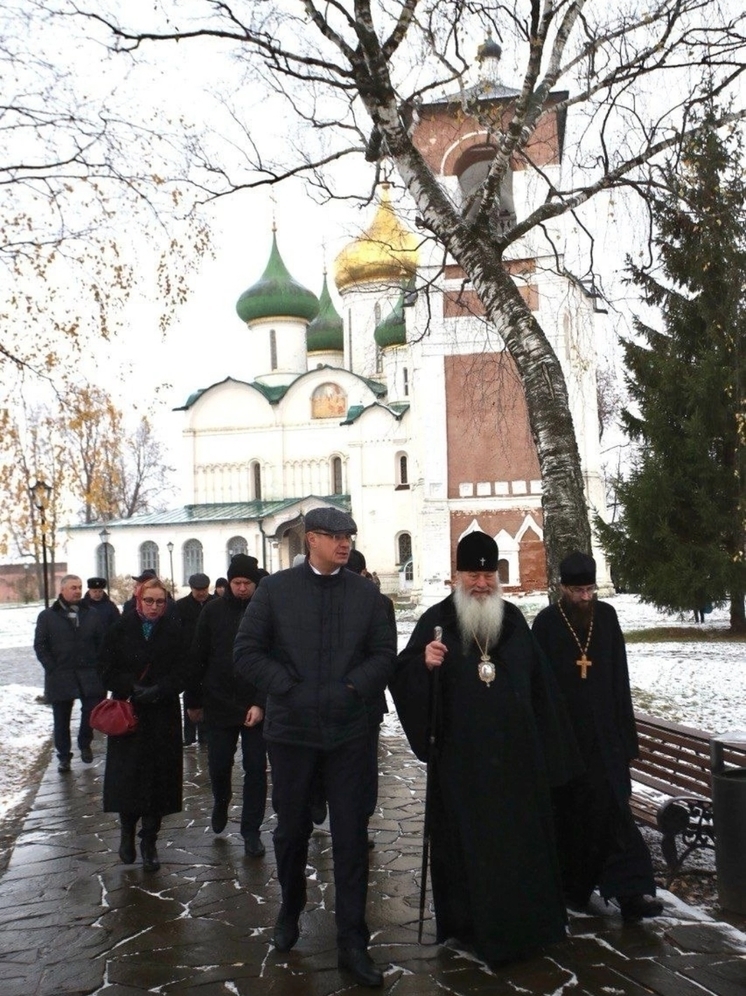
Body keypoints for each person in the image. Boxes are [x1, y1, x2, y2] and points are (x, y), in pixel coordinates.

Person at [391, 532, 581, 968]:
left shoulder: (512, 620)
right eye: (473, 574)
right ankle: (470, 927)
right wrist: (425, 664)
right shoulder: (437, 622)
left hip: (516, 766)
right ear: (458, 575)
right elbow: (402, 674)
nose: (480, 583)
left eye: (487, 574)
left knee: (518, 851)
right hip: (464, 766)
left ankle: (526, 928)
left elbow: (541, 688)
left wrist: (550, 753)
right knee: (469, 850)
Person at [233, 508, 396, 989]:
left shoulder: (366, 595)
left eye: (349, 535)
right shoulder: (276, 590)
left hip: (350, 735)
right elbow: (246, 651)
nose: (345, 543)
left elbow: (383, 656)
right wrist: (286, 686)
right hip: (292, 735)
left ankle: (352, 939)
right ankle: (290, 908)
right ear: (312, 540)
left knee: (350, 836)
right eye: (334, 536)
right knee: (291, 831)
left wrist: (350, 689)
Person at [532, 551, 664, 922]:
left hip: (607, 740)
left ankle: (631, 894)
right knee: (578, 817)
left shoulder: (606, 618)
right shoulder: (546, 624)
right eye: (577, 590)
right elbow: (539, 688)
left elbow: (619, 677)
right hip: (569, 742)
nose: (585, 597)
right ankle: (574, 887)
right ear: (562, 588)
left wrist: (626, 737)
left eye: (589, 589)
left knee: (617, 812)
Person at [99, 576, 191, 872]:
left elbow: (185, 670)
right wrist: (130, 686)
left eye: (160, 602)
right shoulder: (119, 629)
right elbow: (104, 669)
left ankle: (149, 840)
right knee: (128, 778)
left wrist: (162, 689)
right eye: (149, 601)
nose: (154, 607)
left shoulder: (176, 631)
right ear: (138, 600)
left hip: (162, 714)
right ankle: (127, 832)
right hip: (129, 712)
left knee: (160, 780)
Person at [185, 555, 268, 857]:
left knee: (256, 769)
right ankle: (221, 800)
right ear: (229, 583)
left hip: (254, 707)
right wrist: (193, 701)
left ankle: (251, 830)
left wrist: (260, 702)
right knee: (219, 765)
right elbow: (197, 657)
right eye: (236, 583)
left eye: (247, 583)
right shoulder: (213, 611)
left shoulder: (265, 612)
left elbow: (273, 661)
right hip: (219, 703)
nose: (242, 588)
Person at [34, 574, 105, 772]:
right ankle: (64, 756)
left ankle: (85, 743)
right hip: (60, 674)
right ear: (63, 590)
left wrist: (98, 665)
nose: (77, 591)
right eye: (73, 587)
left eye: (79, 587)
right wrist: (51, 666)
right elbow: (40, 645)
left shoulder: (91, 614)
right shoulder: (48, 616)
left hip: (88, 673)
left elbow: (101, 642)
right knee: (61, 718)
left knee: (91, 711)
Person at [175, 572, 213, 746]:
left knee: (208, 697)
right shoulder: (181, 606)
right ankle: (189, 735)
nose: (202, 593)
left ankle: (205, 734)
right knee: (190, 696)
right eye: (198, 590)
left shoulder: (214, 604)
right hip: (188, 658)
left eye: (204, 589)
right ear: (192, 589)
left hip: (210, 659)